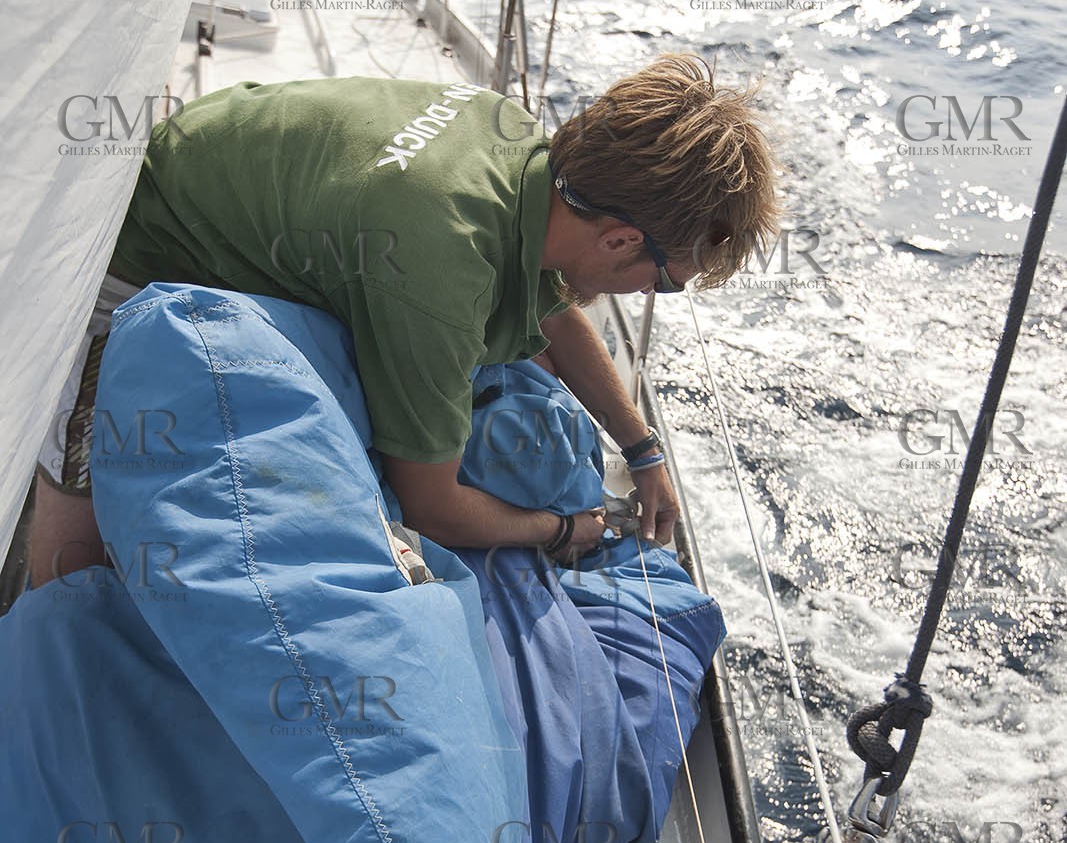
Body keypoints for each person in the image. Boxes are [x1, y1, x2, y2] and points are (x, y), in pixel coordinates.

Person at [29, 53, 780, 588]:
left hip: (202, 175)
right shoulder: (437, 267)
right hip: (124, 260)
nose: (652, 294)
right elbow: (434, 507)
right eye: (666, 280)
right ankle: (39, 643)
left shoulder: (513, 135)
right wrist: (559, 530)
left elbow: (549, 308)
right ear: (620, 241)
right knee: (83, 520)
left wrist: (641, 449)